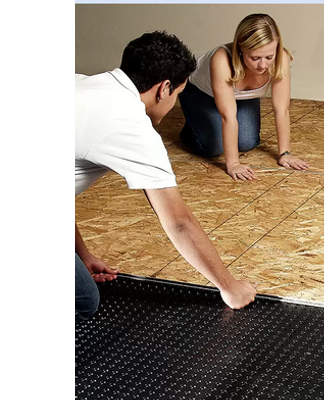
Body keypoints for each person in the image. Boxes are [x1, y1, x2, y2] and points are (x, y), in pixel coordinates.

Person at [75, 31, 257, 322]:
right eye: (178, 95)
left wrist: (81, 255)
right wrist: (230, 288)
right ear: (164, 88)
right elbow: (178, 222)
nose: (174, 103)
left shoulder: (82, 84)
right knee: (84, 299)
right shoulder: (129, 124)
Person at [179, 13, 309, 181]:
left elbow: (281, 109)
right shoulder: (221, 59)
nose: (262, 65)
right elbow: (228, 116)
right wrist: (233, 163)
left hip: (241, 97)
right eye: (255, 58)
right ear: (240, 49)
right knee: (214, 147)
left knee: (247, 143)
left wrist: (285, 154)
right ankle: (193, 127)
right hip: (201, 93)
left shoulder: (280, 58)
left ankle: (204, 124)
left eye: (269, 57)